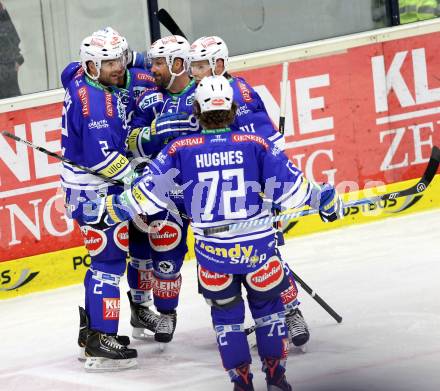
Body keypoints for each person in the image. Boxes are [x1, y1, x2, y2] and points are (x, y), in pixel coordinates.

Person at [80, 75, 343, 390]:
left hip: (214, 257)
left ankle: (241, 383)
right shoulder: (256, 145)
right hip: (258, 251)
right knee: (269, 315)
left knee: (227, 321)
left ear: (197, 110)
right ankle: (276, 380)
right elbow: (296, 192)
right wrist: (325, 199)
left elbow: (143, 197)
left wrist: (106, 210)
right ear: (232, 109)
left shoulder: (179, 149)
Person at [190, 35, 310, 349]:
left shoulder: (239, 92)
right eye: (193, 65)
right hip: (226, 193)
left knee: (266, 253)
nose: (195, 71)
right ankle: (262, 318)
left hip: (256, 190)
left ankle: (291, 310)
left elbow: (265, 141)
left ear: (218, 64)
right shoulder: (200, 93)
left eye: (201, 65)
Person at [60, 28, 139, 371]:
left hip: (80, 188)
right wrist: (139, 176)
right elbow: (102, 160)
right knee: (108, 262)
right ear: (91, 65)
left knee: (101, 260)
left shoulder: (76, 75)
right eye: (108, 63)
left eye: (119, 59)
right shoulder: (96, 104)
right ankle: (100, 338)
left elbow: (66, 70)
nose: (117, 67)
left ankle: (92, 333)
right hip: (94, 190)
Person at [126, 35, 199, 345]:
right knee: (165, 252)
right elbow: (131, 142)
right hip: (167, 191)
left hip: (208, 184)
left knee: (240, 249)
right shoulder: (148, 100)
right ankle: (166, 313)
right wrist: (154, 133)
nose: (152, 69)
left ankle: (282, 310)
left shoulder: (207, 92)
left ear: (178, 64)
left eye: (158, 62)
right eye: (152, 61)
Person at [0, 1, 24, 99]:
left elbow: (14, 40)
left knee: (12, 98)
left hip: (8, 68)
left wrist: (17, 60)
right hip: (7, 66)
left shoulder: (4, 18)